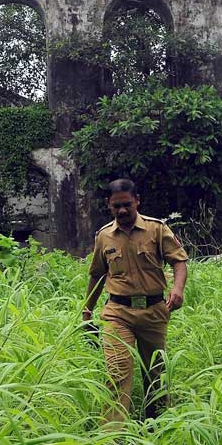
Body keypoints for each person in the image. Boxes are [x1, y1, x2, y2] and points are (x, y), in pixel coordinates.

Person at [83, 178, 188, 425]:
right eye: (116, 206)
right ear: (108, 204)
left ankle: (158, 426)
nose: (122, 210)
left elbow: (179, 261)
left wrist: (177, 289)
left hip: (153, 311)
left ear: (137, 201)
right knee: (117, 372)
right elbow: (97, 275)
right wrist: (87, 310)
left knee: (156, 373)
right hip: (117, 313)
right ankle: (112, 437)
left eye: (127, 204)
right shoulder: (104, 236)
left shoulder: (156, 229)